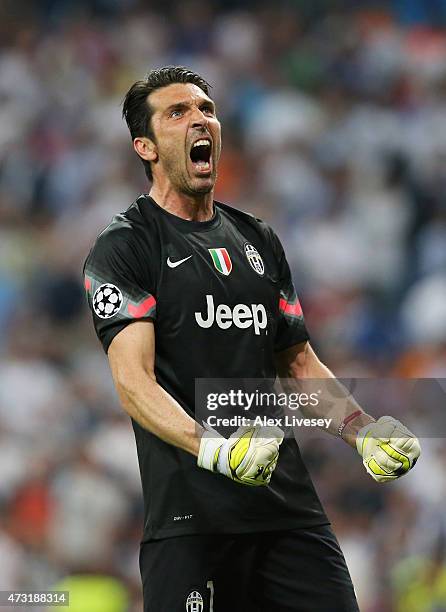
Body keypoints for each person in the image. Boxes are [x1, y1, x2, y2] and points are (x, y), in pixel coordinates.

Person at [83, 66, 420, 611]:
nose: (201, 120)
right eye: (178, 113)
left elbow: (299, 362)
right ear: (144, 146)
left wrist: (363, 431)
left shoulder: (257, 238)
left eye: (206, 110)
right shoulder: (125, 247)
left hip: (287, 511)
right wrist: (218, 450)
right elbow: (133, 383)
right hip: (192, 521)